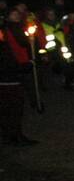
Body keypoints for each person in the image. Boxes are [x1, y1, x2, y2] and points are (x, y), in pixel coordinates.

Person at [0, 12, 35, 146]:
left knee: (11, 109)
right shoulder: (3, 39)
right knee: (11, 109)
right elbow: (7, 61)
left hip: (11, 77)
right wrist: (24, 66)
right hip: (7, 79)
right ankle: (13, 137)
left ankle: (13, 136)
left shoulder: (6, 40)